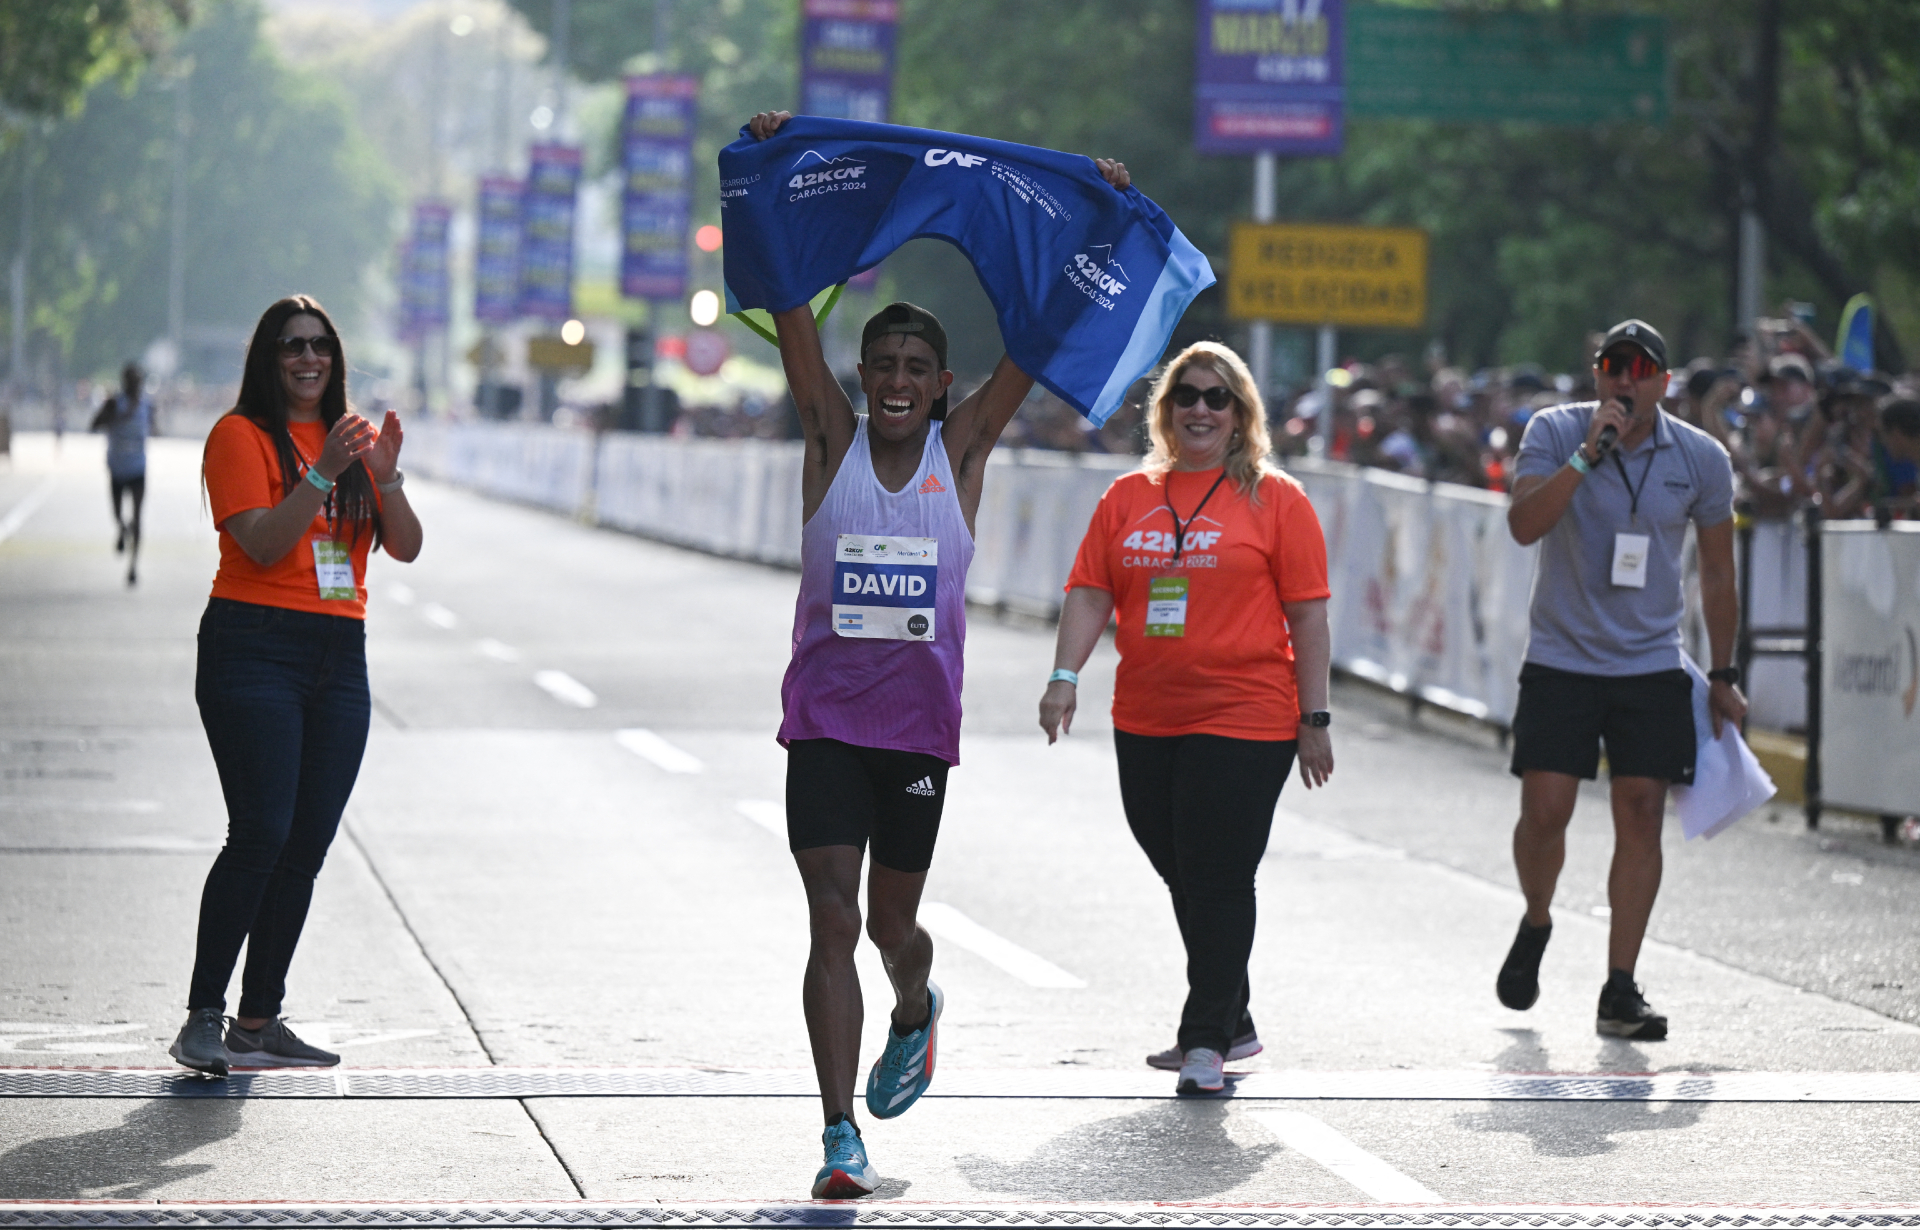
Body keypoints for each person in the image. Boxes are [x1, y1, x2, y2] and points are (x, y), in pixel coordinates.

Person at [747, 107, 1136, 1200]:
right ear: (861, 375)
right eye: (883, 362)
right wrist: (775, 169)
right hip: (824, 718)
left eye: (918, 364)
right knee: (828, 913)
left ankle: (915, 1005)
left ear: (943, 383)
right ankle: (837, 1137)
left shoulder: (963, 450)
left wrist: (1098, 218)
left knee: (888, 926)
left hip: (916, 730)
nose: (899, 378)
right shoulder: (829, 437)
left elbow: (1042, 340)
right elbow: (786, 307)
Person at [1039, 342, 1334, 1095]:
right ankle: (1232, 1014)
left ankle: (1205, 1040)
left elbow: (1308, 616)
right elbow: (1089, 590)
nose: (1200, 409)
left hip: (1248, 714)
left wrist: (1316, 716)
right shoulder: (1128, 497)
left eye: (1217, 398)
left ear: (1241, 416)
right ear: (1165, 411)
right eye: (1186, 397)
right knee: (1176, 861)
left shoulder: (1278, 500)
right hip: (1146, 713)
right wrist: (1064, 677)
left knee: (1219, 872)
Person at [167, 295, 423, 1078]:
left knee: (306, 844)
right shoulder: (238, 436)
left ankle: (257, 1020)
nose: (308, 360)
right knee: (261, 832)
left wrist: (386, 478)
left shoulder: (353, 443)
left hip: (340, 653)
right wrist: (323, 472)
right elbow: (267, 543)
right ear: (268, 358)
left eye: (319, 346)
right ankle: (202, 1015)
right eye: (291, 347)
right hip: (254, 646)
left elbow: (405, 548)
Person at [1498, 319, 1745, 1041]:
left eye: (1641, 370)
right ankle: (1538, 917)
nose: (1626, 381)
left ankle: (1619, 985)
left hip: (1650, 661)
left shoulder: (1702, 458)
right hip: (1562, 656)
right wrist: (1584, 458)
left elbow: (1720, 573)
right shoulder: (1554, 430)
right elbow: (1523, 525)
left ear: (1663, 383)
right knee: (1546, 811)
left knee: (1640, 813)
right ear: (1597, 374)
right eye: (1613, 366)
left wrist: (1725, 673)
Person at [90, 363, 156, 586]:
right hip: (117, 468)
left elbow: (155, 427)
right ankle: (121, 528)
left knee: (138, 516)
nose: (136, 385)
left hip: (138, 467)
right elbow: (93, 425)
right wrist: (115, 418)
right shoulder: (114, 403)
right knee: (117, 513)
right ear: (125, 382)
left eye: (139, 381)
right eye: (132, 381)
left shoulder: (148, 405)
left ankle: (133, 567)